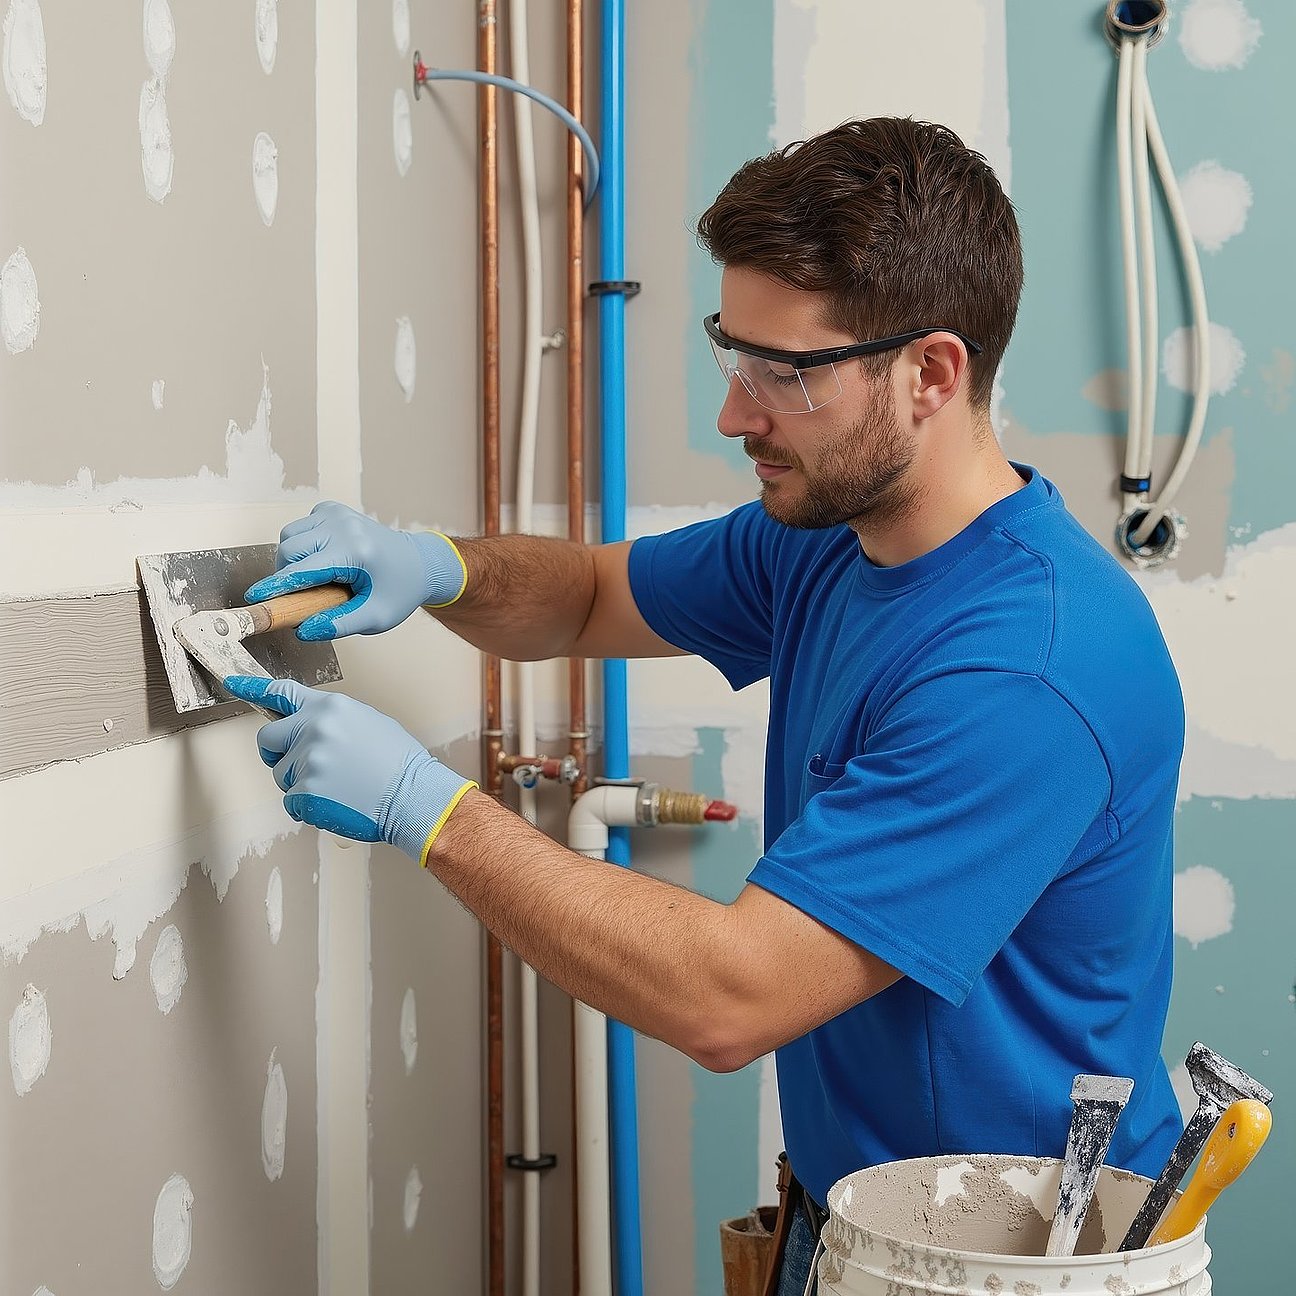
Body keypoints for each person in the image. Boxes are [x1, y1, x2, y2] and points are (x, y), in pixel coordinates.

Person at [224, 118, 1185, 1294]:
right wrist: (435, 566)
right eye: (734, 354)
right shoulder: (831, 539)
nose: (739, 415)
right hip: (848, 1226)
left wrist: (430, 809)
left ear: (931, 373)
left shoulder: (1026, 668)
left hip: (1012, 1270)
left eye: (786, 373)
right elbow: (585, 600)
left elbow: (734, 997)